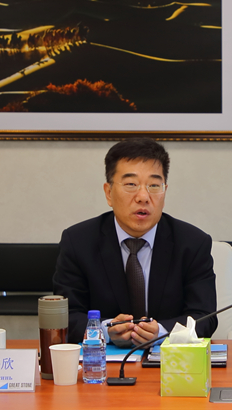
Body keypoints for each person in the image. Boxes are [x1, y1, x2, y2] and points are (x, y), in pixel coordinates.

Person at [53, 138, 218, 346]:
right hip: (102, 362)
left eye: (154, 185)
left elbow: (205, 317)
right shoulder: (78, 242)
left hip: (170, 361)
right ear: (108, 193)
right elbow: (66, 317)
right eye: (131, 184)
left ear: (165, 191)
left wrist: (162, 332)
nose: (143, 197)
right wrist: (105, 330)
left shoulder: (193, 244)